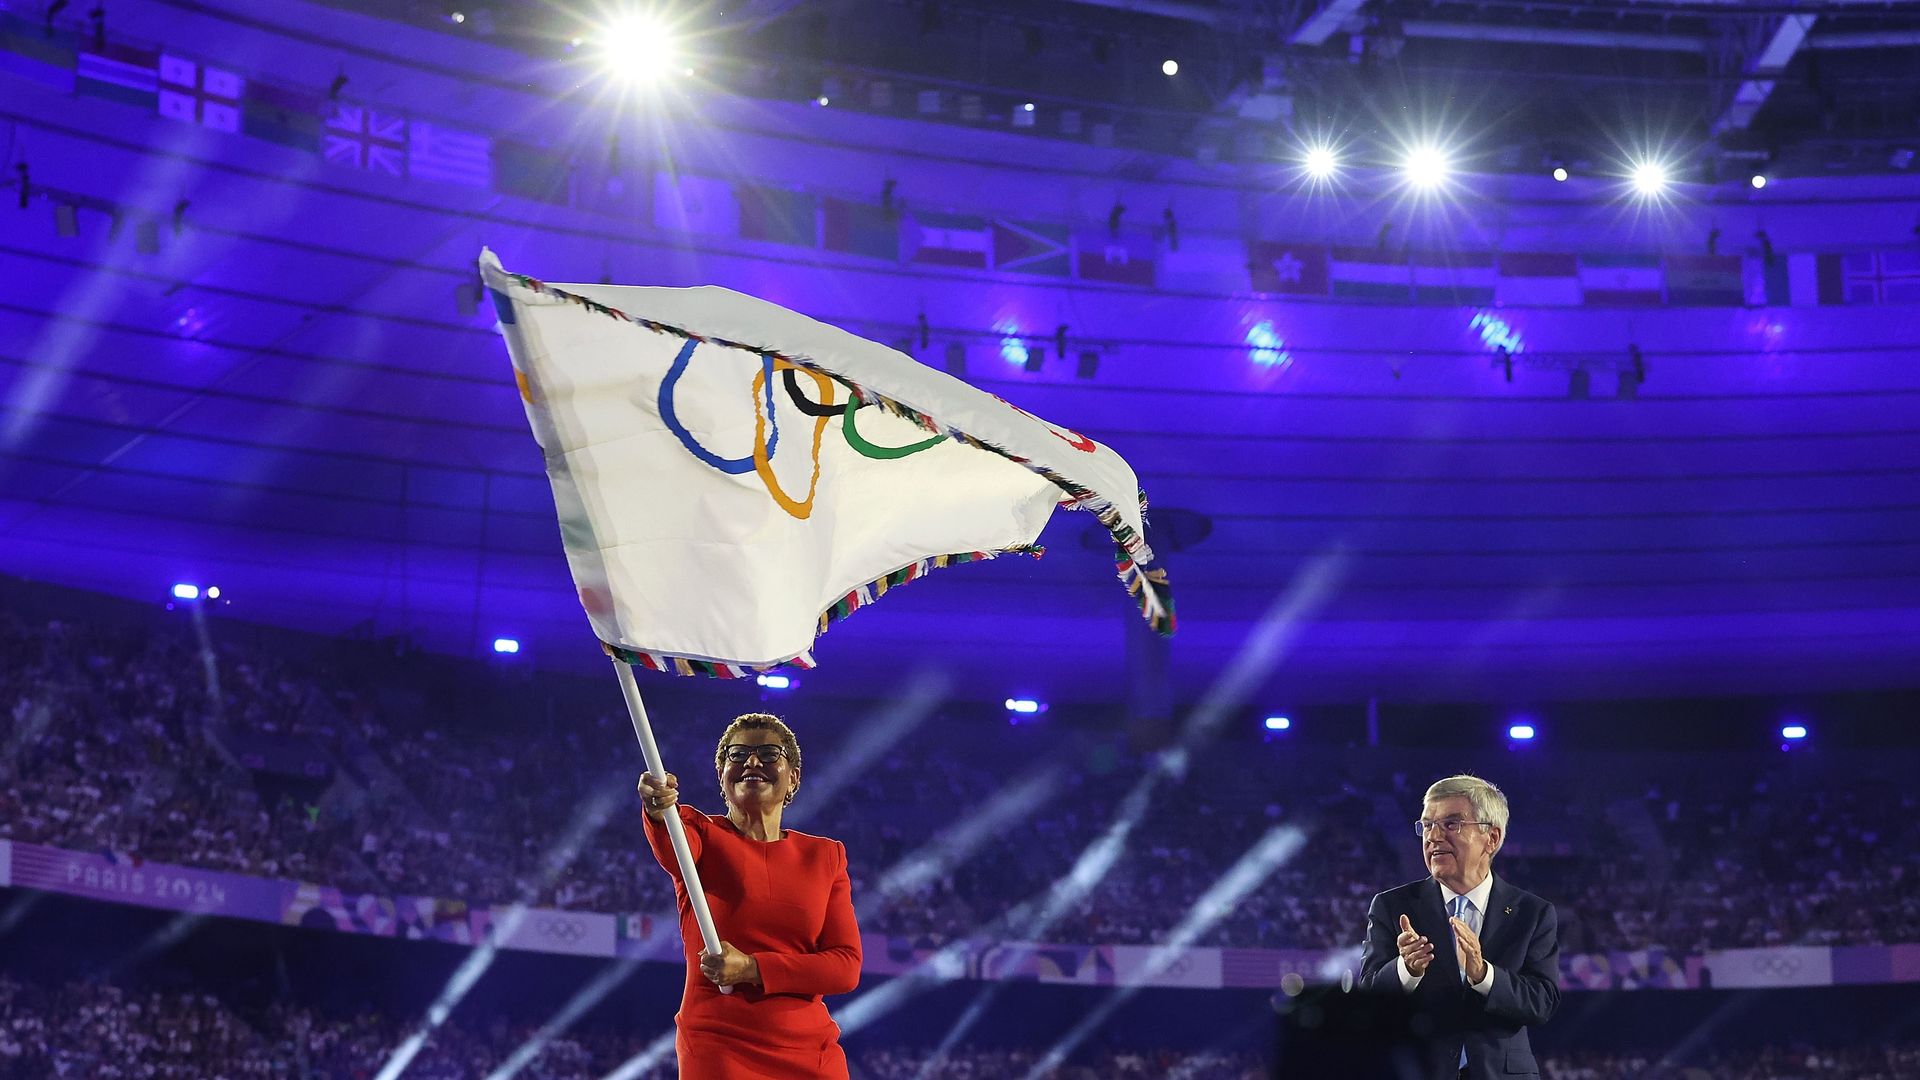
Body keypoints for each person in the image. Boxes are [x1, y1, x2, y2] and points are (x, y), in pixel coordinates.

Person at [638, 713, 861, 1079]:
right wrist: (657, 810)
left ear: (794, 778)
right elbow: (669, 841)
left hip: (810, 1052)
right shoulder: (697, 832)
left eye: (769, 754)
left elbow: (845, 966)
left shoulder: (825, 856)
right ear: (722, 778)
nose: (752, 762)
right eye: (737, 754)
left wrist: (752, 968)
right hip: (720, 1045)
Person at [1358, 774, 1560, 1079]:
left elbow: (1542, 1002)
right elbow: (1367, 999)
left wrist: (1484, 975)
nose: (1433, 836)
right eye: (1426, 825)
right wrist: (1406, 969)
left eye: (1451, 824)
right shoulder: (1392, 906)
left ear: (1490, 838)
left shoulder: (1532, 913)